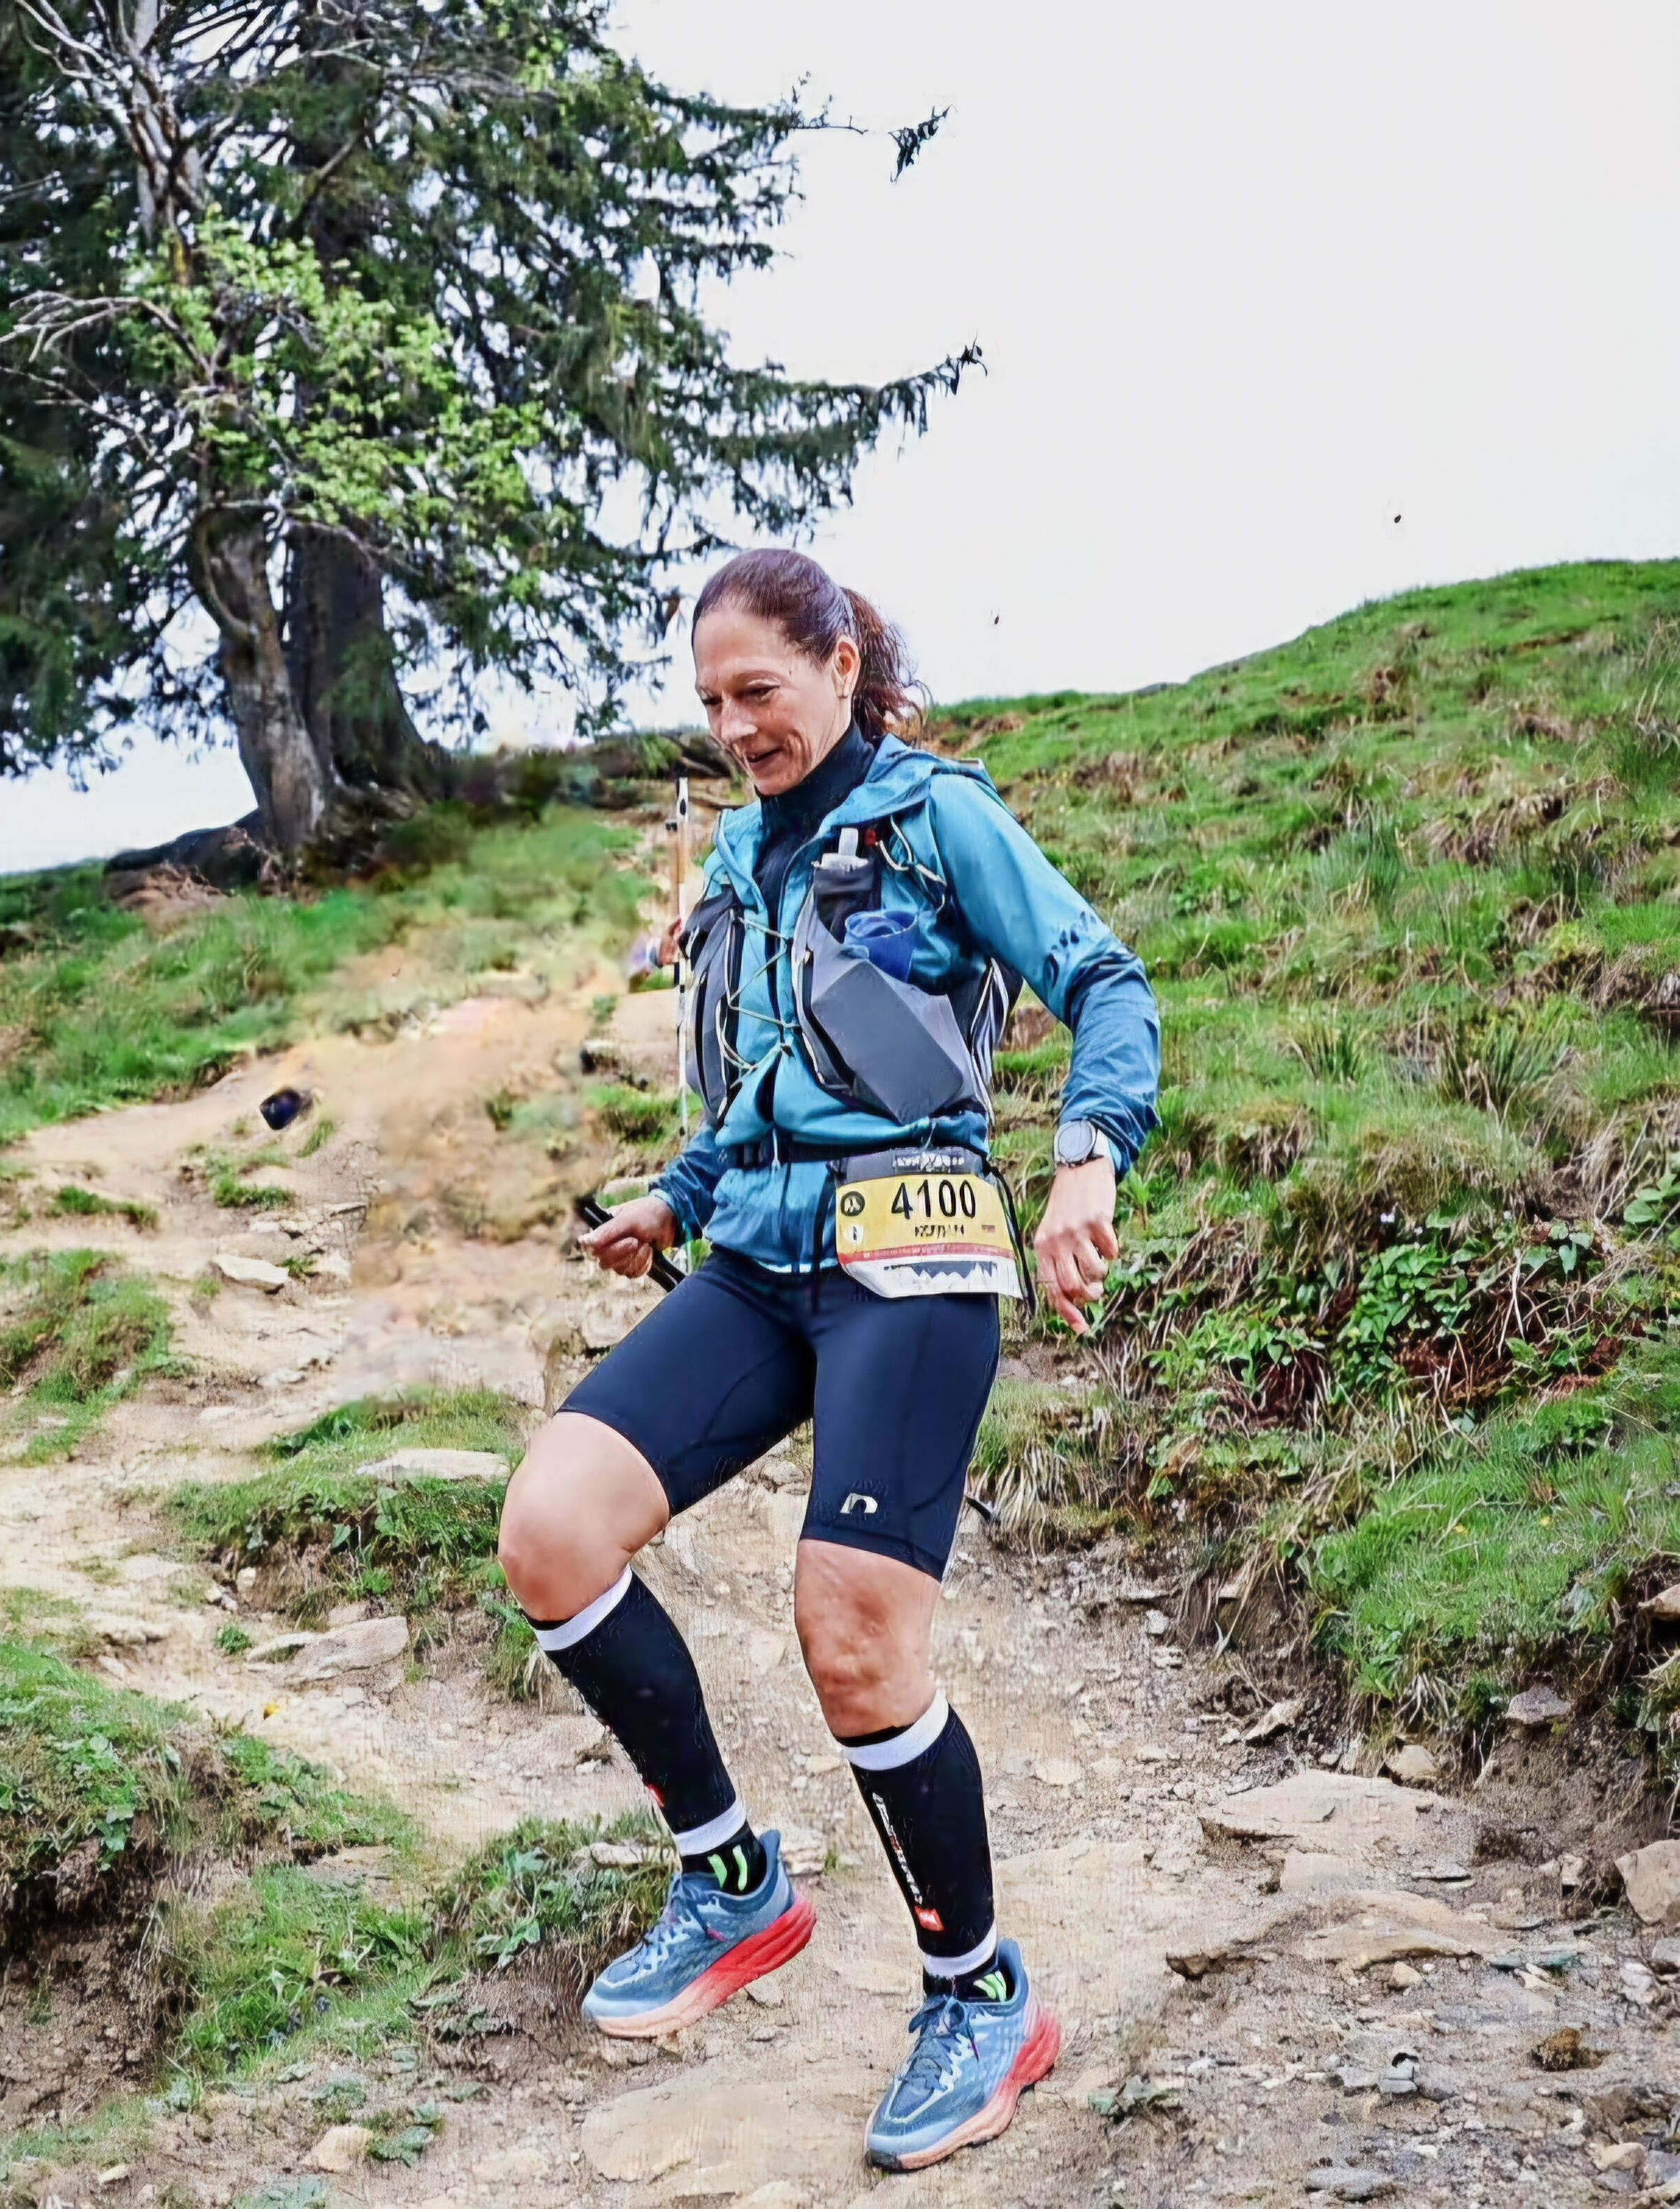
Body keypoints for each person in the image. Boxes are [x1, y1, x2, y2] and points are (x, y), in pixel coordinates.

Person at [498, 548, 1159, 2171]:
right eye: (711, 703)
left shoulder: (941, 820)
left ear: (843, 663)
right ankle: (732, 1878)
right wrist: (678, 1194)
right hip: (752, 1263)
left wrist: (1087, 1157)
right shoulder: (732, 853)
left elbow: (1103, 985)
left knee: (852, 1633)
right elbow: (759, 1086)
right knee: (551, 1531)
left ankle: (978, 1989)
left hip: (913, 1253)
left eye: (759, 694)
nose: (734, 727)